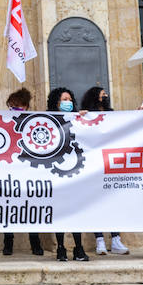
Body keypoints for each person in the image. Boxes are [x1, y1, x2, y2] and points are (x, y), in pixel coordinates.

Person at [80, 85, 129, 256]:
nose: (105, 96)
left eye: (106, 94)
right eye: (102, 95)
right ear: (95, 97)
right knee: (95, 202)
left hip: (110, 163)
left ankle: (116, 238)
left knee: (112, 201)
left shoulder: (112, 115)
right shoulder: (86, 115)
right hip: (94, 164)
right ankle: (99, 239)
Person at [46, 87, 88, 262]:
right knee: (60, 212)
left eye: (70, 99)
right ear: (56, 102)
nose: (68, 102)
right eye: (64, 99)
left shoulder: (77, 118)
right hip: (56, 172)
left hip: (74, 171)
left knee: (75, 212)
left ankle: (79, 248)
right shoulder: (47, 120)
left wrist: (84, 118)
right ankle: (61, 248)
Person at [1, 87, 43, 257]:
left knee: (30, 207)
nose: (14, 109)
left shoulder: (33, 122)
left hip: (28, 170)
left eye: (17, 106)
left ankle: (36, 243)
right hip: (9, 170)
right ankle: (8, 243)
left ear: (25, 106)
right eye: (11, 106)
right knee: (8, 206)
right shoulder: (5, 121)